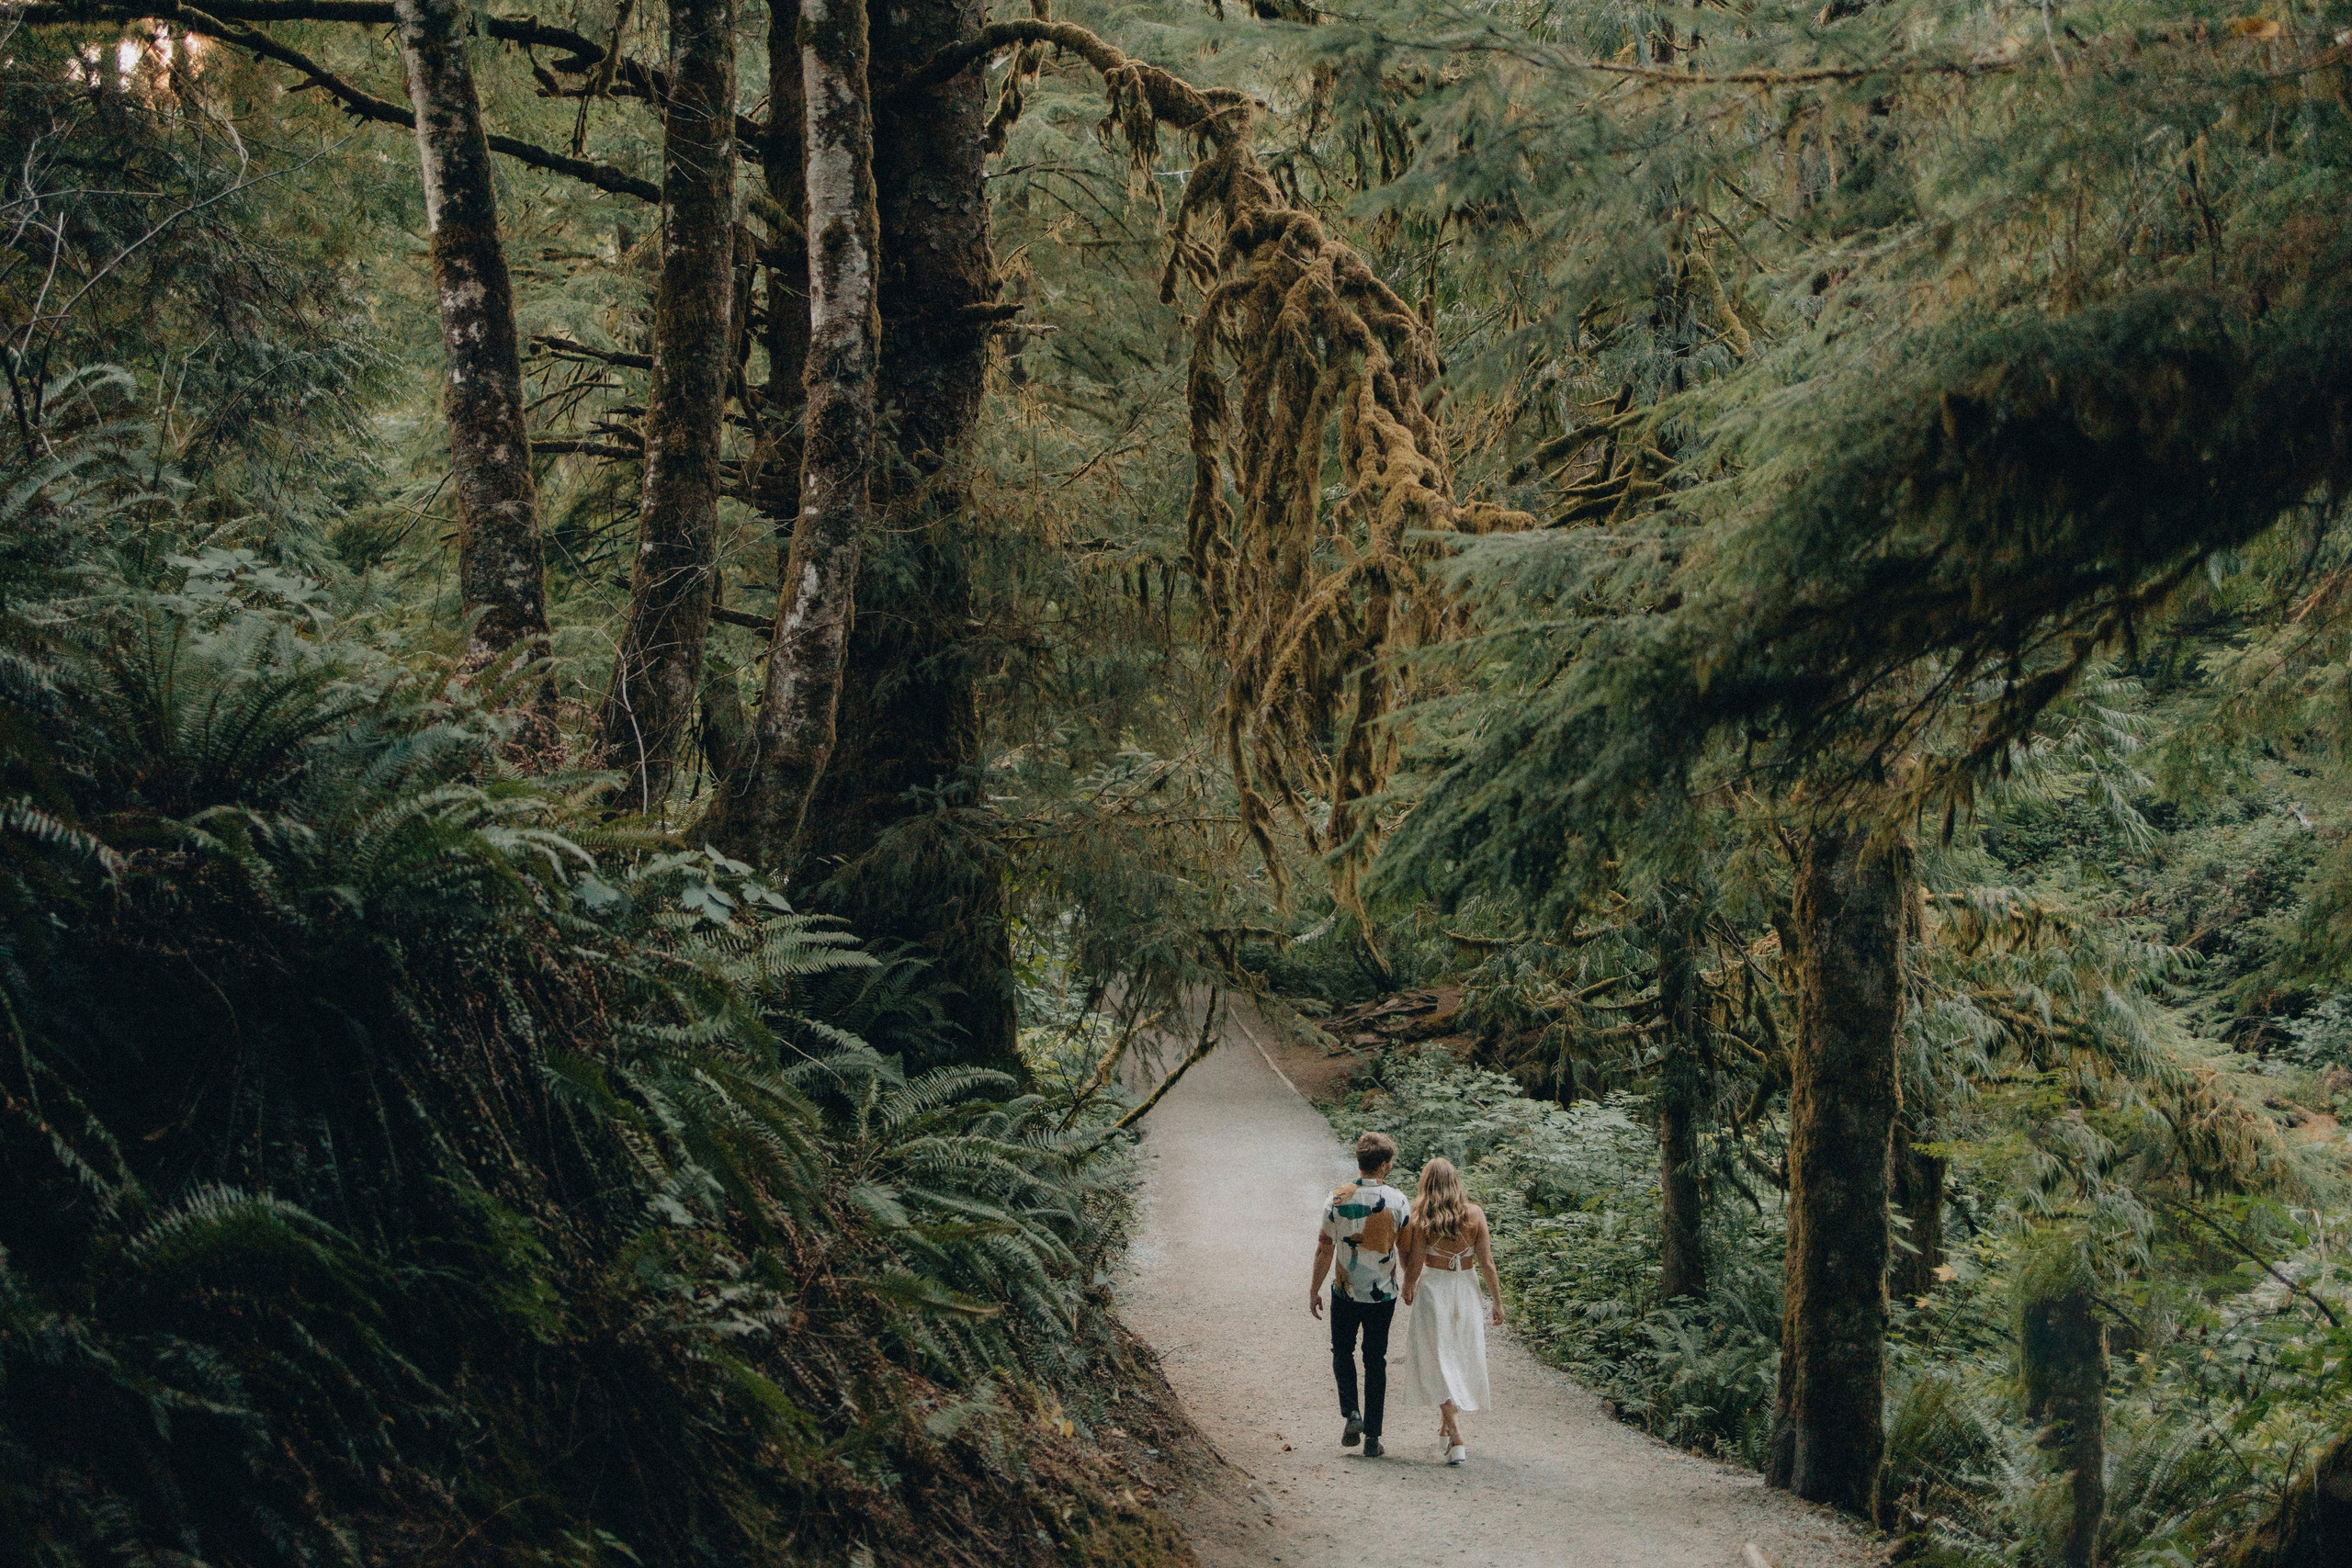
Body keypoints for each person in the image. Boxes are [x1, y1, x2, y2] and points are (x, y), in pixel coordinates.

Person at [1309, 1131, 1411, 1458]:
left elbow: (1324, 1249)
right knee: (1375, 1359)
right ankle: (1372, 1437)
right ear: (1383, 1164)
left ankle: (1352, 1412)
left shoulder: (1336, 1198)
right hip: (1382, 1295)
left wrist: (1313, 1290)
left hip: (1345, 1290)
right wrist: (1410, 1283)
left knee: (1342, 1351)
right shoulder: (1397, 1201)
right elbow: (1407, 1249)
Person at [1396, 1156, 1501, 1466]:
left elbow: (1415, 1263)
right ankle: (1446, 1424)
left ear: (1426, 1184)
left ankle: (1454, 1433)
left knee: (1436, 1359)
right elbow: (1487, 1264)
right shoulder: (1476, 1215)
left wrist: (1409, 1284)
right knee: (1456, 1356)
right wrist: (1496, 1301)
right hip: (1466, 1290)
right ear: (1455, 1182)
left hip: (1434, 1290)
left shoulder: (1420, 1219)